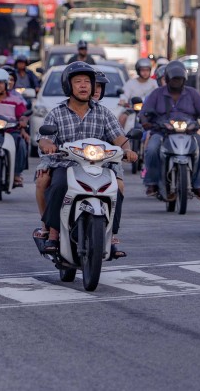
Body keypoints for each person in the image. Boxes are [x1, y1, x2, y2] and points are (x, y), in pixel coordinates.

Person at [36, 61, 137, 257]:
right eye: (78, 82)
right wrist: (47, 145)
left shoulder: (104, 112)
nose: (83, 86)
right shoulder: (57, 112)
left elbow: (120, 139)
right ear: (68, 86)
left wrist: (128, 150)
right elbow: (44, 138)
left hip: (100, 165)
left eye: (87, 82)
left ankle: (110, 235)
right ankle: (54, 232)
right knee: (57, 185)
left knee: (119, 187)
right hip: (66, 164)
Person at [140, 60, 200, 199]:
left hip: (189, 132)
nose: (177, 82)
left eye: (180, 79)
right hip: (161, 132)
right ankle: (152, 183)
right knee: (152, 149)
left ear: (184, 79)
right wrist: (145, 122)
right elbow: (144, 112)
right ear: (167, 79)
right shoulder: (157, 94)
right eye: (174, 79)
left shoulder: (192, 93)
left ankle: (199, 185)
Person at [118, 58, 158, 128]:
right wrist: (123, 101)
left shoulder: (154, 83)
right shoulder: (131, 83)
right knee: (122, 117)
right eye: (143, 70)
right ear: (138, 70)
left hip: (149, 110)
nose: (145, 72)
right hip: (133, 109)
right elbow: (124, 95)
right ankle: (121, 136)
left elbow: (158, 95)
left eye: (147, 70)